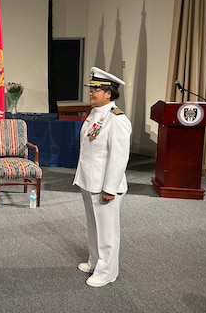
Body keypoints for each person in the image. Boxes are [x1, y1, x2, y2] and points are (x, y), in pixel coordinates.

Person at [73, 66, 132, 288]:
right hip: (89, 181)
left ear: (109, 93)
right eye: (91, 88)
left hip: (105, 186)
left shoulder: (116, 119)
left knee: (107, 231)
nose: (90, 92)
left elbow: (119, 157)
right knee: (93, 226)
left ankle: (107, 272)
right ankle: (95, 261)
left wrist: (110, 187)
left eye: (95, 88)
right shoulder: (96, 113)